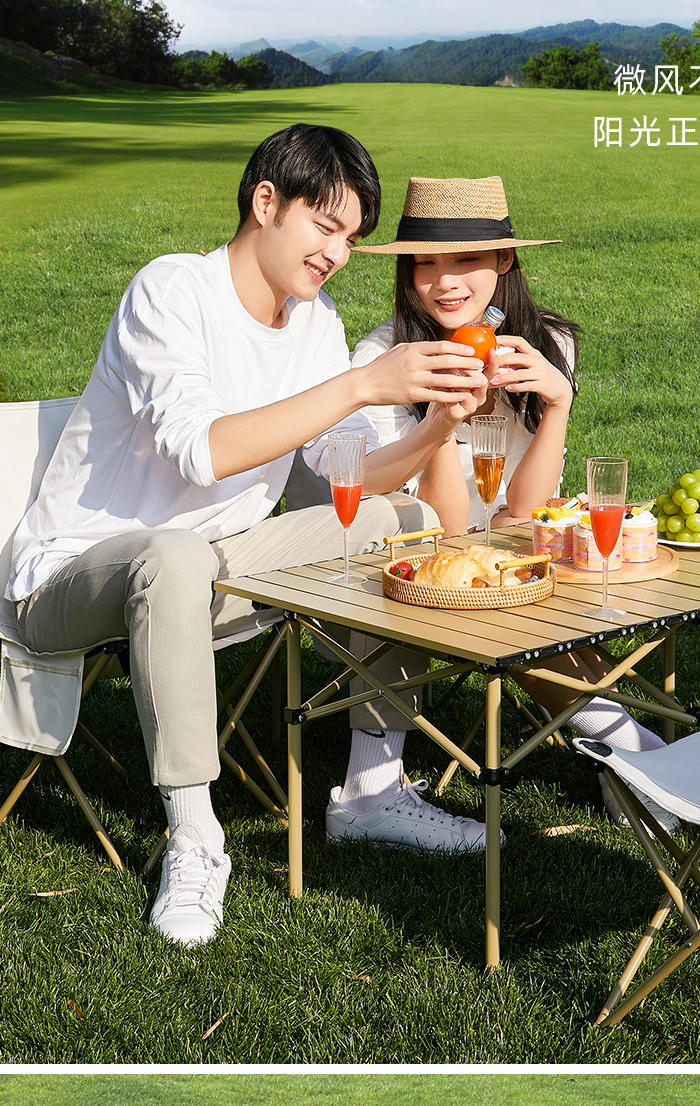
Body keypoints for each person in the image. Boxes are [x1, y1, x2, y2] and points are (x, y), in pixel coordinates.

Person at [5, 128, 491, 948]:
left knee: (406, 522)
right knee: (172, 554)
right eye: (325, 227)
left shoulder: (314, 321)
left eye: (352, 239)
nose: (337, 254)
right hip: (69, 583)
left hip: (212, 571)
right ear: (267, 202)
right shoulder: (172, 291)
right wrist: (362, 383)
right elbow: (203, 452)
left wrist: (437, 426)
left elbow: (351, 476)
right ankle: (196, 837)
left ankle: (372, 789)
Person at [288, 175, 680, 845]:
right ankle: (638, 756)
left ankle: (629, 756)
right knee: (497, 578)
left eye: (466, 260)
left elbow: (526, 512)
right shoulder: (385, 358)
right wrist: (441, 420)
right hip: (386, 568)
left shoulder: (545, 345)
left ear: (503, 260)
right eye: (425, 264)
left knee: (521, 560)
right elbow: (442, 529)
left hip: (499, 553)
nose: (443, 283)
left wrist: (558, 403)